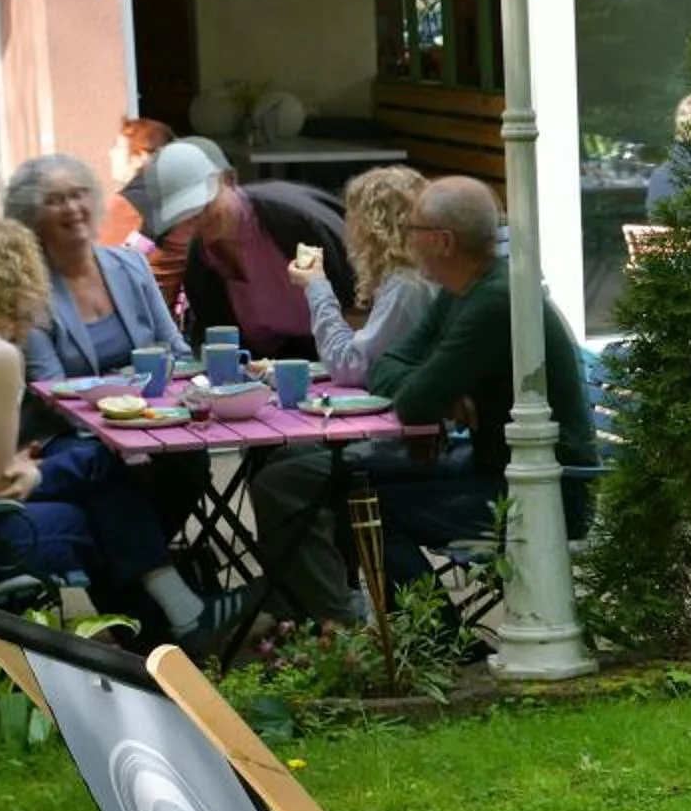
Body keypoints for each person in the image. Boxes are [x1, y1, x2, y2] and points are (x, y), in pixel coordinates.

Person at [0, 219, 241, 653]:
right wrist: (28, 475)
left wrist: (25, 469)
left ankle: (171, 626)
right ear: (22, 281)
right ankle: (171, 630)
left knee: (98, 465)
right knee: (97, 506)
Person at [251, 176, 598, 623]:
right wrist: (435, 387)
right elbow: (387, 365)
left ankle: (434, 637)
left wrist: (431, 388)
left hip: (543, 489)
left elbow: (413, 403)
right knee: (337, 482)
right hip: (500, 465)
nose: (405, 238)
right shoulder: (464, 289)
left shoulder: (494, 300)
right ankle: (379, 627)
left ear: (443, 241)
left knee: (369, 505)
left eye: (413, 229)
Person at [128, 137, 354, 358]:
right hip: (273, 372)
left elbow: (363, 296)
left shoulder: (294, 219)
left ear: (229, 180)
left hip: (344, 356)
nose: (199, 219)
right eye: (185, 214)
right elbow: (217, 338)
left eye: (205, 205)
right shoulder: (202, 262)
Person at [4, 153, 187, 382]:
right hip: (67, 416)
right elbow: (51, 388)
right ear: (32, 217)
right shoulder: (30, 293)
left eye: (78, 194)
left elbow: (178, 353)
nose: (72, 207)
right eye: (53, 200)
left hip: (152, 413)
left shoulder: (133, 265)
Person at [293, 165, 433, 386]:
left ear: (371, 229)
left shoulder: (407, 286)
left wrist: (316, 285)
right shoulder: (423, 273)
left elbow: (350, 366)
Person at [103, 116, 176, 248]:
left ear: (141, 157)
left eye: (119, 147)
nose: (111, 153)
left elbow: (107, 262)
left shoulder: (127, 204)